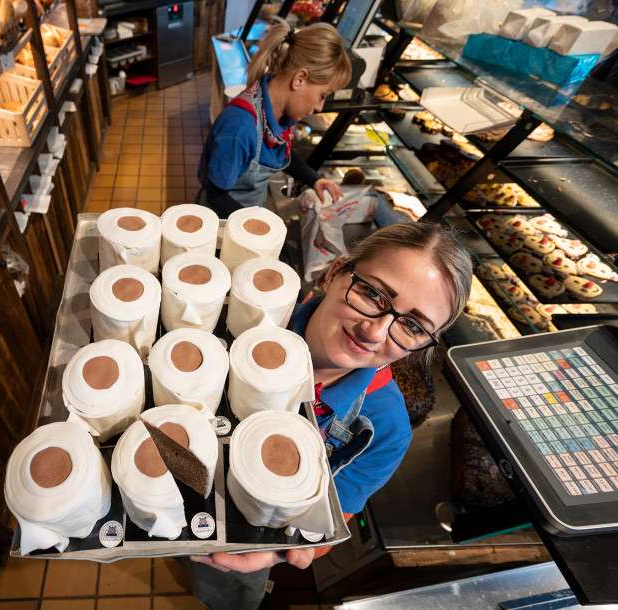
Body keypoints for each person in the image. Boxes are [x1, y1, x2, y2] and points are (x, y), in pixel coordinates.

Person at [186, 222, 473, 609]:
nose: (374, 332)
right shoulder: (245, 313)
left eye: (412, 326)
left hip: (238, 535)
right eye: (372, 294)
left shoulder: (384, 431)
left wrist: (277, 553)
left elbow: (333, 517)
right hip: (180, 475)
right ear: (336, 272)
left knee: (220, 591)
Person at [197, 20, 352, 218]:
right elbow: (216, 196)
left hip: (250, 214)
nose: (319, 107)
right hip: (223, 222)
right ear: (299, 79)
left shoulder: (276, 111)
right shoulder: (240, 128)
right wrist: (259, 232)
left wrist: (314, 179)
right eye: (323, 95)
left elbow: (281, 153)